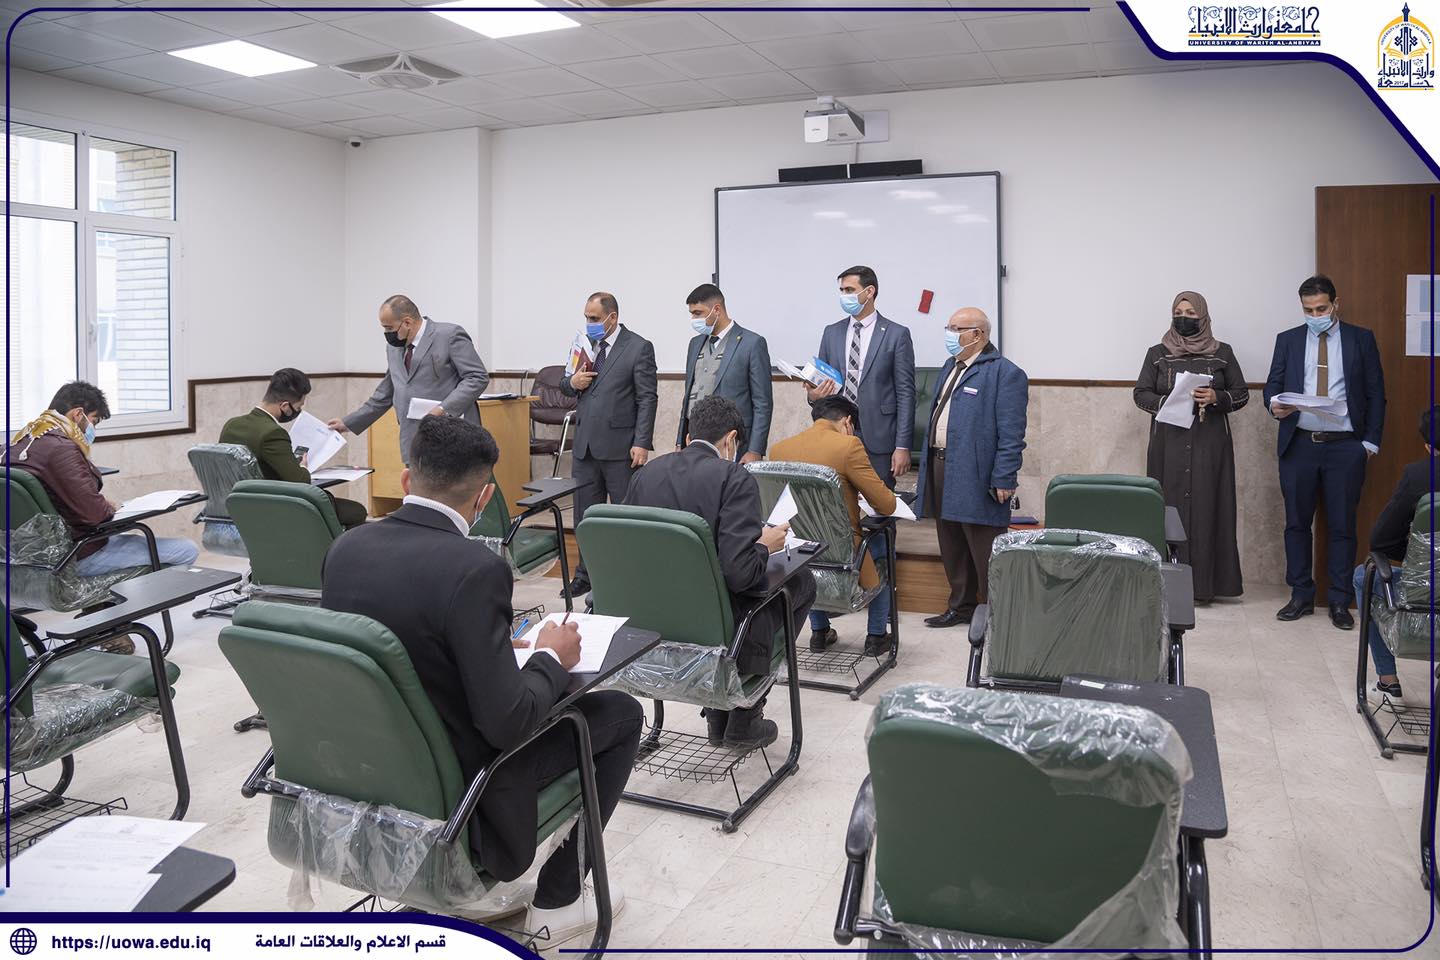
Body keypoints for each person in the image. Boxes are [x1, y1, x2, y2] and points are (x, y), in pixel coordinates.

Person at [320, 415, 642, 947]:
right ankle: (560, 899)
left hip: (369, 769)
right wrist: (551, 658)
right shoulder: (474, 567)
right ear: (484, 495)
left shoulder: (345, 549)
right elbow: (508, 724)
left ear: (407, 479)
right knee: (619, 713)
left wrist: (490, 649)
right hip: (463, 789)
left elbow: (400, 645)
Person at [626, 395, 816, 748]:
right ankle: (744, 715)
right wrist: (765, 545)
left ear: (688, 436)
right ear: (730, 440)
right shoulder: (734, 477)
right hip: (712, 623)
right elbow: (740, 574)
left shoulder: (645, 475)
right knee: (800, 582)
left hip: (648, 617)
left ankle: (717, 716)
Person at [1263, 274, 1385, 629]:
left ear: (1335, 304)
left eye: (1321, 308)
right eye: (1308, 310)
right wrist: (1274, 405)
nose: (1315, 315)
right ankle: (1301, 594)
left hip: (1345, 446)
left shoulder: (1361, 339)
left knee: (1342, 525)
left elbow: (1376, 393)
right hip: (1299, 444)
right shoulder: (1287, 340)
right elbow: (1272, 385)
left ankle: (1339, 600)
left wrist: (1369, 443)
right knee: (1297, 524)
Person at [6, 380, 200, 580]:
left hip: (27, 558)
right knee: (186, 550)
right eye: (94, 421)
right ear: (77, 414)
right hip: (77, 555)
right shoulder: (62, 449)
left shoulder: (15, 444)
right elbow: (95, 517)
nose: (93, 429)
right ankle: (139, 600)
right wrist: (109, 508)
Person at [914, 308, 1028, 629]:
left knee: (984, 546)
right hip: (940, 465)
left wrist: (1005, 475)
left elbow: (1012, 433)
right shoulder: (950, 366)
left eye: (956, 329)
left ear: (978, 334)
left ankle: (997, 614)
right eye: (949, 327)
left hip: (977, 472)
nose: (949, 334)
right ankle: (961, 607)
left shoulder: (1006, 373)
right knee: (951, 542)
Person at [1133, 291, 1249, 602]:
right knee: (1167, 508)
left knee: (1209, 506)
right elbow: (1140, 393)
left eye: (1190, 313)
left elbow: (1241, 393)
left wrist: (1216, 397)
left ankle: (1206, 587)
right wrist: (1169, 401)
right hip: (1168, 443)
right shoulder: (1157, 353)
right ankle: (1166, 586)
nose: (1183, 318)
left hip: (1210, 444)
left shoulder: (1222, 353)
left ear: (1203, 316)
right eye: (1178, 312)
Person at [770, 396, 898, 657]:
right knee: (884, 541)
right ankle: (876, 636)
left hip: (800, 553)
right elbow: (887, 504)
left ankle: (819, 632)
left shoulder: (779, 449)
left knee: (811, 540)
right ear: (848, 422)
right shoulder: (848, 446)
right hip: (843, 555)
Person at [559, 292, 658, 598]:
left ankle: (630, 575)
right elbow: (565, 383)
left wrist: (642, 442)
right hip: (585, 447)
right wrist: (572, 383)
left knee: (626, 516)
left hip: (621, 448)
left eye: (594, 318)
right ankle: (585, 574)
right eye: (586, 317)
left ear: (612, 317)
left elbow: (647, 398)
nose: (589, 323)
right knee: (584, 516)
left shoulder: (638, 347)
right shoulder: (583, 344)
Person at [328, 294, 489, 465]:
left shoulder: (448, 335)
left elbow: (477, 377)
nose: (387, 334)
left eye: (389, 328)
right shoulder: (394, 348)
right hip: (414, 441)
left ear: (407, 322)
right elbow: (385, 394)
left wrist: (442, 409)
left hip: (453, 436)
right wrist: (348, 423)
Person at [1354, 405, 1436, 706]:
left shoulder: (1419, 475)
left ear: (1428, 447)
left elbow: (1381, 540)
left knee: (1364, 575)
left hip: (1429, 589)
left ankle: (1388, 681)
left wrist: (1417, 559)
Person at [805, 266, 916, 488]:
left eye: (849, 290)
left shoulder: (896, 334)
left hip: (878, 437)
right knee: (837, 499)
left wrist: (902, 446)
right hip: (836, 432)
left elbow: (906, 394)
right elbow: (821, 382)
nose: (844, 296)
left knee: (878, 501)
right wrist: (813, 396)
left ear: (869, 291)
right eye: (841, 290)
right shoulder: (831, 332)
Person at [219, 368, 367, 529]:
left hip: (236, 506)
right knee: (356, 511)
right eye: (298, 407)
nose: (298, 411)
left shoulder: (231, 425)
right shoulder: (273, 433)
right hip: (273, 507)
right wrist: (303, 467)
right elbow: (300, 482)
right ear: (284, 406)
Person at [677, 284, 773, 464]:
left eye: (698, 313)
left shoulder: (752, 343)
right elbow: (689, 393)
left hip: (732, 442)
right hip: (695, 443)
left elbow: (762, 403)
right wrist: (680, 441)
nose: (694, 319)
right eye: (692, 314)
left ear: (717, 309)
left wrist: (755, 450)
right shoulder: (695, 344)